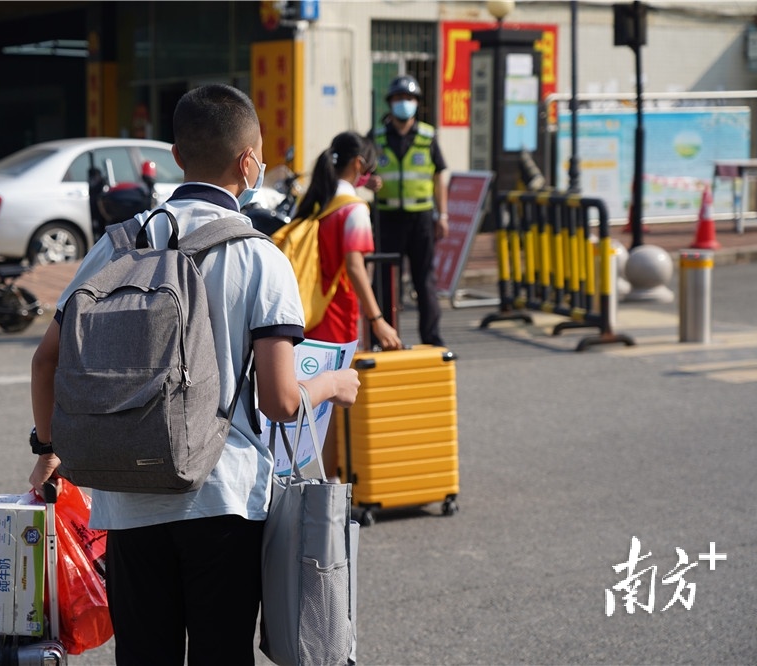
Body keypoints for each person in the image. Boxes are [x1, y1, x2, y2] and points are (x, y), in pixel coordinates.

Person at [27, 84, 360, 665]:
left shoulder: (117, 244)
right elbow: (281, 401)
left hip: (126, 498)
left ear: (178, 155)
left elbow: (45, 359)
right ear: (249, 162)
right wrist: (333, 384)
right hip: (223, 497)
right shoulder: (260, 256)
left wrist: (48, 448)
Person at [293, 130, 402, 479]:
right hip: (338, 317)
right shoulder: (353, 209)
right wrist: (377, 319)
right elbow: (355, 267)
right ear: (358, 164)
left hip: (310, 314)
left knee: (314, 405)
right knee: (333, 405)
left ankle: (313, 479)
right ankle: (330, 483)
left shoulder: (318, 203)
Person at [367, 74, 449, 347]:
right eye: (400, 98)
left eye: (410, 98)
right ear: (390, 102)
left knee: (424, 281)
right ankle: (384, 339)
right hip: (387, 217)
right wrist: (368, 181)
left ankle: (432, 339)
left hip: (421, 218)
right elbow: (359, 170)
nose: (405, 103)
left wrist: (443, 215)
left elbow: (439, 175)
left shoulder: (427, 136)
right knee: (385, 281)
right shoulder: (376, 137)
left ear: (417, 102)